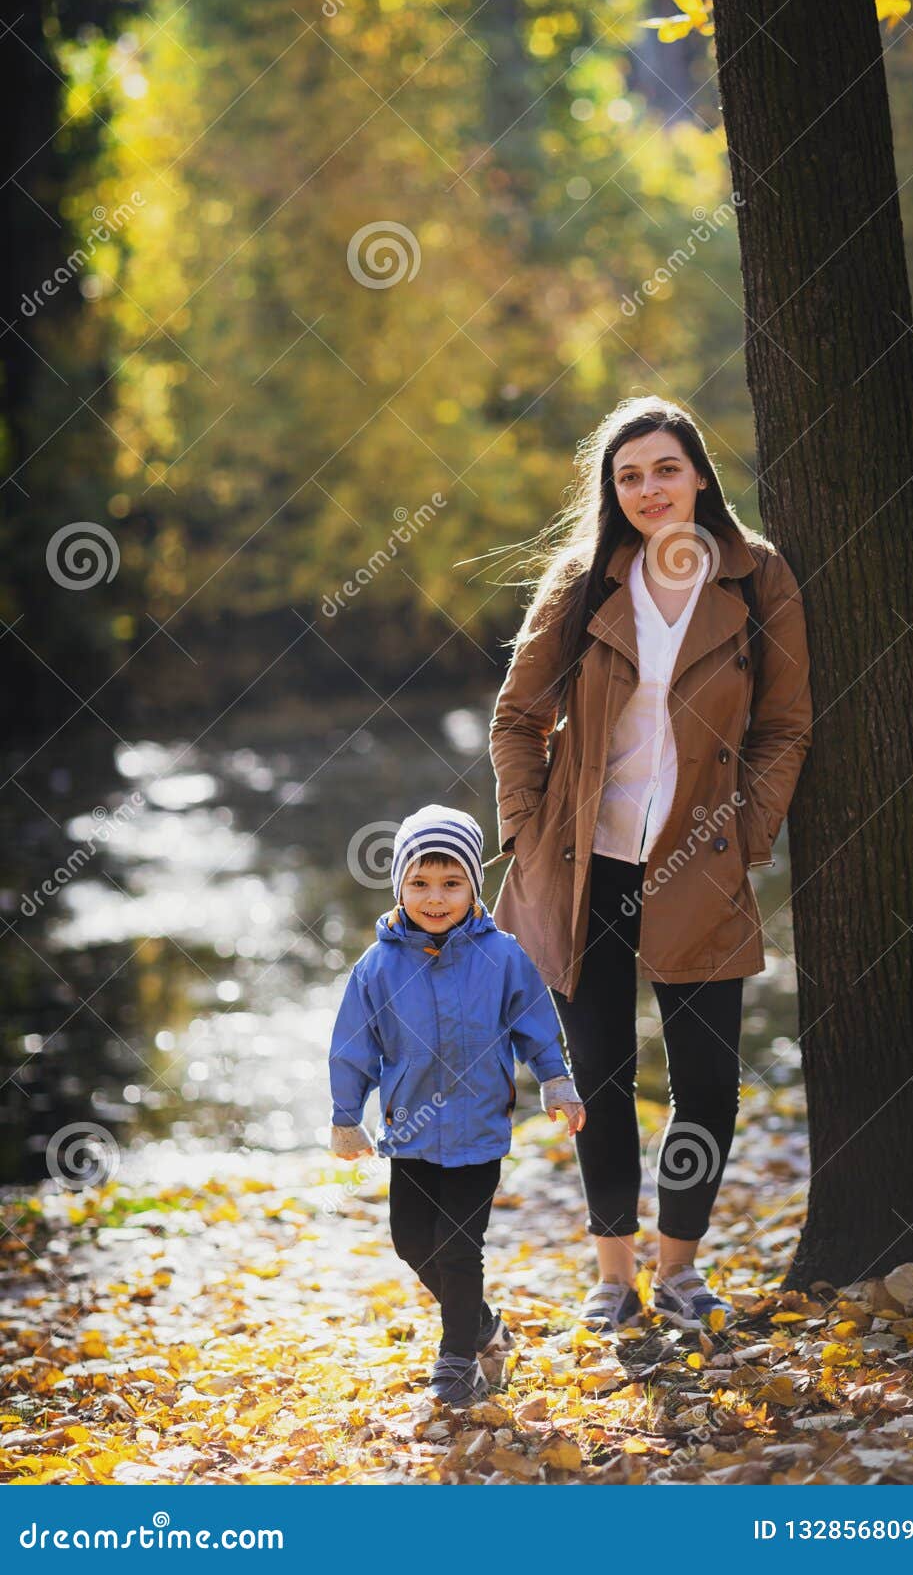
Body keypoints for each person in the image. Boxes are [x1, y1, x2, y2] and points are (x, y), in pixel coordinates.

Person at [487, 395, 813, 1336]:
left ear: (699, 475)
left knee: (709, 1083)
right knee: (597, 1081)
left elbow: (786, 726)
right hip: (583, 859)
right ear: (612, 489)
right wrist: (525, 829)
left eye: (664, 469)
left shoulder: (758, 581)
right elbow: (516, 718)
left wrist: (746, 837)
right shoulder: (583, 580)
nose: (647, 489)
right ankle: (611, 1276)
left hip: (700, 858)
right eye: (628, 476)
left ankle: (679, 1272)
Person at [328, 804, 585, 1407]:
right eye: (419, 883)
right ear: (400, 887)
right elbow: (353, 1045)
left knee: (461, 1245)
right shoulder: (378, 965)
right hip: (409, 1131)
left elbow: (535, 1022)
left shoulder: (501, 955)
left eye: (451, 883)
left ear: (474, 886)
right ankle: (483, 1325)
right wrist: (346, 1116)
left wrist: (556, 1078)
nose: (435, 898)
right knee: (412, 1241)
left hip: (478, 1129)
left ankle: (456, 1360)